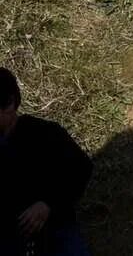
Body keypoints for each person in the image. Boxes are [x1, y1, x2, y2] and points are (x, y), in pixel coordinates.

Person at [0, 66, 94, 256]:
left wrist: (48, 204)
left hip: (55, 231)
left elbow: (81, 169)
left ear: (9, 104)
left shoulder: (46, 134)